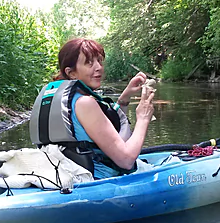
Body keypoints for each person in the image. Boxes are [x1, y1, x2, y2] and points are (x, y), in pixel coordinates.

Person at [30, 38, 155, 179]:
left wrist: (124, 99)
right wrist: (143, 118)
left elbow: (108, 133)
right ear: (71, 73)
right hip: (99, 180)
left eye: (99, 61)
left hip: (67, 173)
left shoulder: (61, 99)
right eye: (89, 63)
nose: (99, 67)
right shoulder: (85, 103)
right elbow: (126, 160)